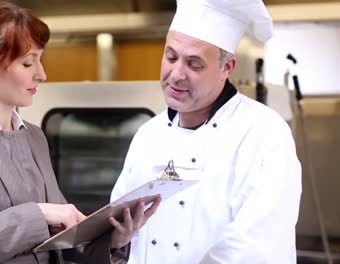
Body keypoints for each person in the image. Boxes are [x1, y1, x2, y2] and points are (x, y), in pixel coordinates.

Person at [0, 2, 159, 263]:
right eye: (27, 63)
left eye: (40, 60)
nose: (42, 74)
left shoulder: (34, 137)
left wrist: (114, 239)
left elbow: (60, 238)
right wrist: (38, 214)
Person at [110, 0, 302, 263]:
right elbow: (120, 230)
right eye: (171, 57)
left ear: (227, 68)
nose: (176, 74)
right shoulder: (148, 134)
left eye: (194, 64)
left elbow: (255, 247)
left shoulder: (263, 133)